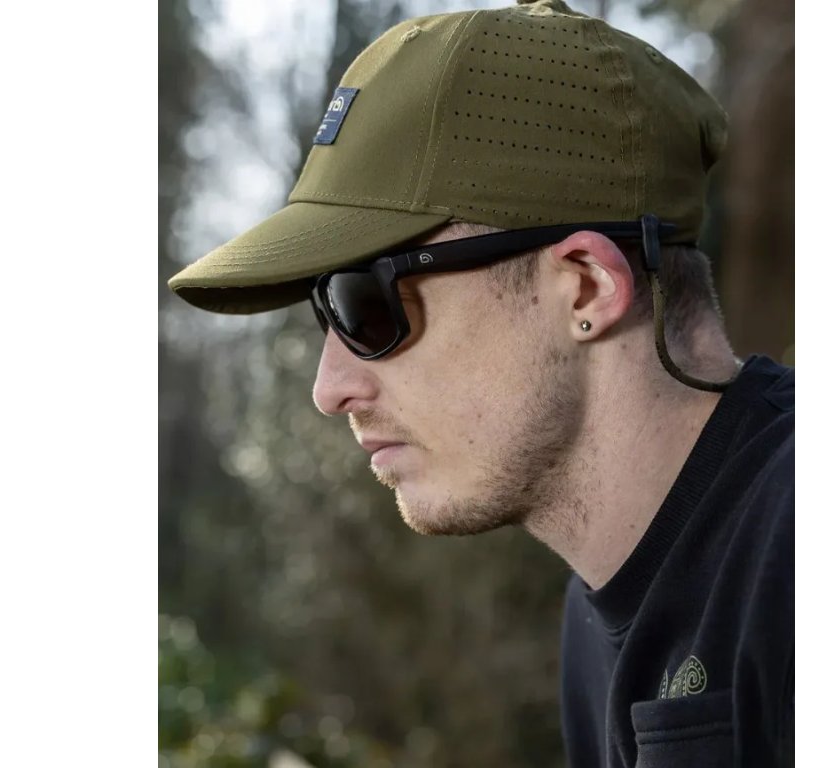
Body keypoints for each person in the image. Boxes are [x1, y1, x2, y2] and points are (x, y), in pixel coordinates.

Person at [168, 1, 794, 766]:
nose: (330, 388)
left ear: (586, 286)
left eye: (367, 304)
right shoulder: (598, 608)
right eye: (321, 312)